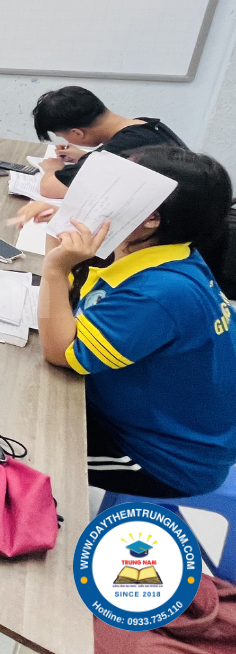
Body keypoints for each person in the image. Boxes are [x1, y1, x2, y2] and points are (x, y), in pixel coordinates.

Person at [25, 146, 236, 498]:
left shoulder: (159, 292)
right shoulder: (163, 253)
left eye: (118, 187)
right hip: (136, 416)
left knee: (15, 445)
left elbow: (60, 351)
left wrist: (55, 268)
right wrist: (62, 230)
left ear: (151, 217)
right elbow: (74, 301)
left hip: (160, 457)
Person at [32, 86, 186, 199]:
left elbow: (50, 188)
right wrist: (84, 156)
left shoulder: (120, 147)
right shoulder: (144, 126)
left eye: (63, 136)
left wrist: (53, 168)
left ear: (77, 133)